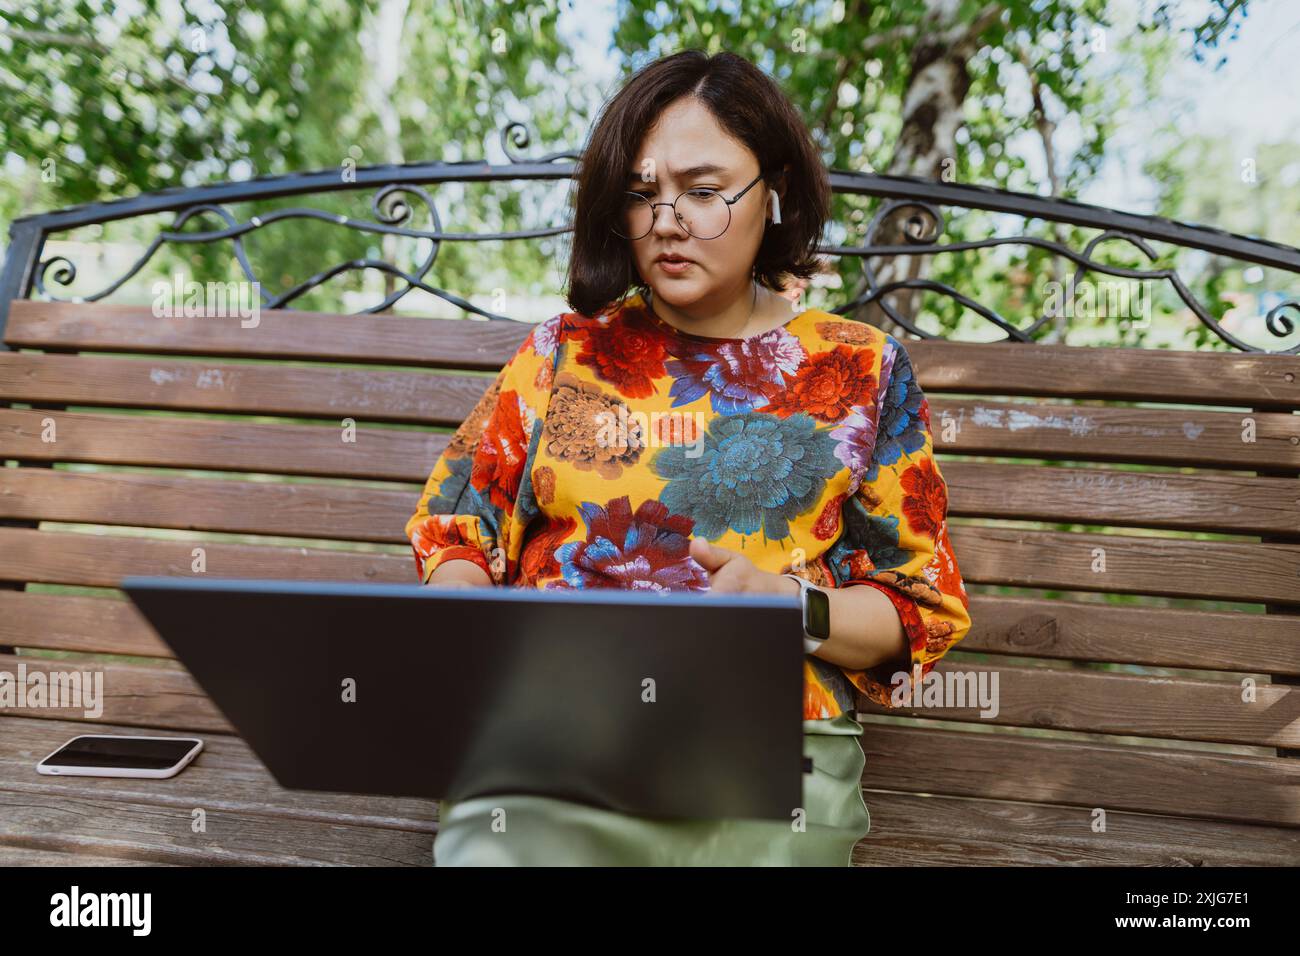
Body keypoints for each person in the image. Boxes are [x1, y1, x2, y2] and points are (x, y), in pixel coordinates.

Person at [404, 49, 972, 866]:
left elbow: (917, 606)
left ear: (773, 191)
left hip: (769, 744)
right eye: (642, 195)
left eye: (703, 191)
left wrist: (788, 607)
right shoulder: (563, 355)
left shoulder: (861, 368)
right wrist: (478, 622)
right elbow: (460, 527)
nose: (667, 219)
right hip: (557, 737)